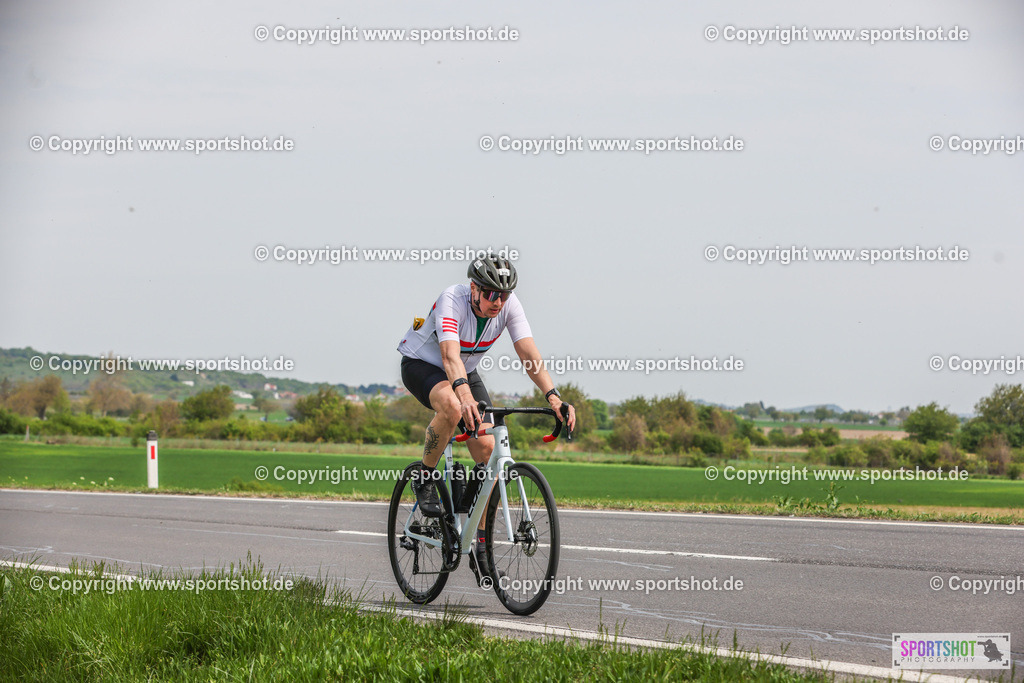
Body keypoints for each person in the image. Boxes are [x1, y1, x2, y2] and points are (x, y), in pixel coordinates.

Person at [397, 256, 575, 586]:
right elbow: (449, 356)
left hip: (465, 371)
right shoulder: (453, 299)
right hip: (424, 364)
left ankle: (479, 546)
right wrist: (464, 397)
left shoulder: (508, 305)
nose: (498, 302)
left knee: (489, 450)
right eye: (491, 294)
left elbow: (528, 354)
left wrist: (553, 396)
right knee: (452, 408)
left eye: (504, 295)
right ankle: (424, 475)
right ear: (474, 289)